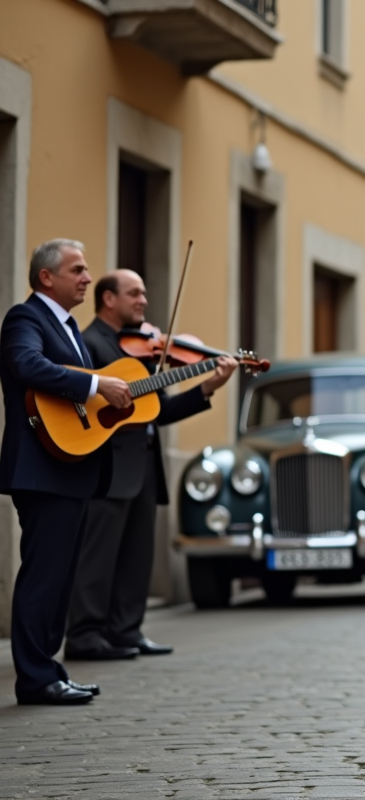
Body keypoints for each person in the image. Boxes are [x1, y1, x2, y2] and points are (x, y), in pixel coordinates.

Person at [64, 270, 237, 661]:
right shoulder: (89, 344)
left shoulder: (140, 350)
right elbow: (77, 404)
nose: (143, 300)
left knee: (137, 554)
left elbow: (156, 412)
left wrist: (207, 387)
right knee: (98, 556)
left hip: (143, 464)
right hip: (106, 467)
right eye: (134, 293)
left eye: (143, 292)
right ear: (108, 299)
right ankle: (85, 635)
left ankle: (126, 631)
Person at [0, 239, 132, 705]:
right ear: (46, 278)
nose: (87, 278)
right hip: (41, 468)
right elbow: (26, 364)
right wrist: (97, 382)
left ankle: (49, 670)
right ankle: (35, 678)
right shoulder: (25, 318)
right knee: (42, 577)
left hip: (71, 468)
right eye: (77, 269)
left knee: (60, 579)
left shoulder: (69, 326)